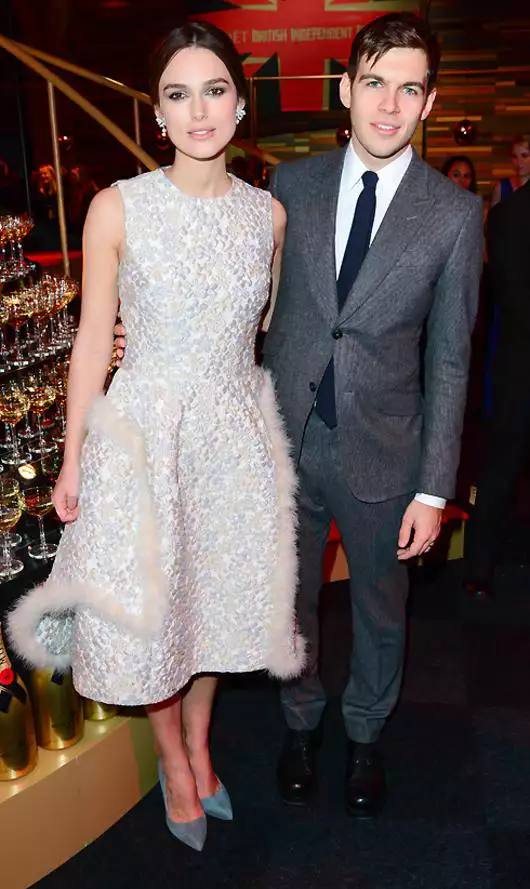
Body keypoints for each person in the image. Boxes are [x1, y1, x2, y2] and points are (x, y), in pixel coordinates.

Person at [8, 21, 305, 852]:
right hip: (143, 436)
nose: (198, 110)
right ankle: (173, 760)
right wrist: (72, 457)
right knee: (157, 611)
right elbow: (90, 343)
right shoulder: (117, 207)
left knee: (211, 605)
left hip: (230, 438)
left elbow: (263, 327)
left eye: (214, 91)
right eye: (179, 94)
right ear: (158, 113)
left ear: (239, 105)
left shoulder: (269, 216)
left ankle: (201, 743)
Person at [262, 12, 483, 817]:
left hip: (387, 451)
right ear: (345, 88)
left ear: (430, 102)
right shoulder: (290, 185)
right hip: (286, 439)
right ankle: (299, 720)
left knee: (379, 610)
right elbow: (259, 310)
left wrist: (435, 488)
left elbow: (450, 358)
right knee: (288, 602)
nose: (390, 105)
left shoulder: (454, 215)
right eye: (376, 83)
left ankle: (363, 731)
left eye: (410, 89)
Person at [463, 179, 530, 599]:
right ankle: (478, 569)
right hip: (519, 370)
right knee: (501, 468)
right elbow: (515, 296)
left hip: (516, 368)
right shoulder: (509, 216)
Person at [490, 134, 530, 208]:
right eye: (514, 156)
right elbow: (493, 214)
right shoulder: (501, 187)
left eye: (524, 156)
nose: (519, 162)